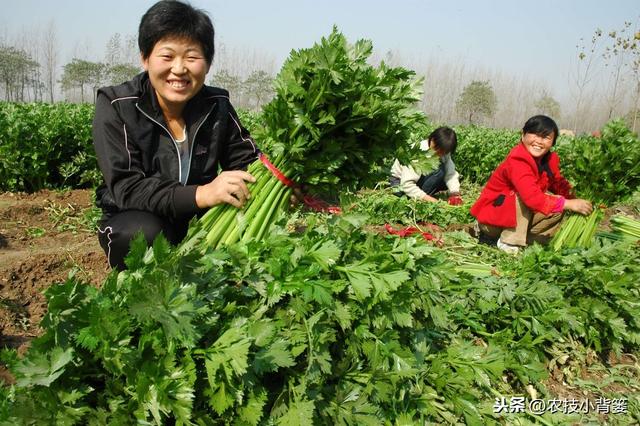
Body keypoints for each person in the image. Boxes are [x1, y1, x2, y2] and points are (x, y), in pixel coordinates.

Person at [93, 0, 258, 270]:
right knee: (137, 235)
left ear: (207, 63)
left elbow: (246, 160)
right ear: (145, 58)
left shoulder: (217, 104)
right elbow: (128, 188)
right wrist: (202, 194)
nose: (179, 69)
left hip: (201, 221)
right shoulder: (116, 105)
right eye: (167, 57)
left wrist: (282, 180)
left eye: (192, 57)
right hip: (140, 216)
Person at [470, 115, 593, 254]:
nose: (539, 141)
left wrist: (575, 199)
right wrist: (570, 204)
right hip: (492, 220)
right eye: (534, 134)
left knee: (558, 205)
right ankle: (509, 242)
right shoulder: (517, 160)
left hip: (515, 219)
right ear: (523, 135)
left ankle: (526, 241)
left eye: (546, 137)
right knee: (524, 196)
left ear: (552, 142)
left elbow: (558, 183)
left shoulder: (548, 160)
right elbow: (532, 197)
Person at [389, 126, 463, 205]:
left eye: (444, 152)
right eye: (437, 149)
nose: (440, 154)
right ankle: (416, 197)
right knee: (439, 171)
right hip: (399, 183)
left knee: (450, 179)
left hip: (417, 179)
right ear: (432, 139)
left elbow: (450, 174)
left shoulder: (444, 152)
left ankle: (420, 195)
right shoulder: (417, 152)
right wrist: (433, 201)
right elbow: (406, 184)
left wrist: (455, 194)